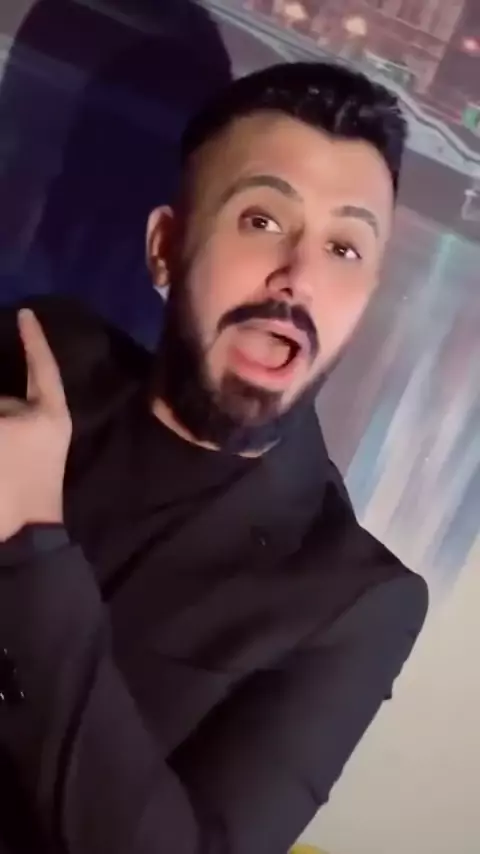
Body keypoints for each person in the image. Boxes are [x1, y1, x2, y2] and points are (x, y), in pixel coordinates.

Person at [0, 62, 428, 854]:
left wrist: (28, 548)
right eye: (262, 220)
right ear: (166, 247)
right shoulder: (39, 354)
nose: (297, 278)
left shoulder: (352, 601)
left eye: (343, 247)